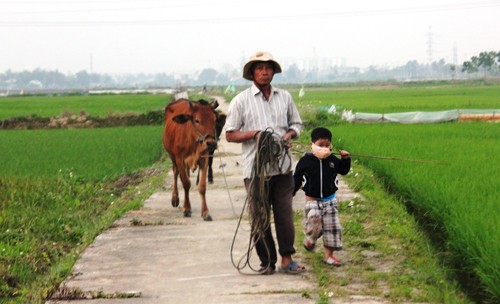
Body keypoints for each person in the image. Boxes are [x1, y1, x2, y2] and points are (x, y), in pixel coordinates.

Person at [225, 51, 305, 275]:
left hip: (282, 168)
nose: (265, 72)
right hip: (255, 171)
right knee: (259, 217)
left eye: (268, 68)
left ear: (273, 72)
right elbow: (230, 134)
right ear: (252, 73)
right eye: (260, 68)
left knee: (284, 214)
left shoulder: (285, 97)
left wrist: (289, 135)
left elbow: (297, 124)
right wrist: (255, 135)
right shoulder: (240, 101)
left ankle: (287, 259)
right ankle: (266, 261)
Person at [293, 127, 351, 266]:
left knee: (332, 228)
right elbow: (296, 178)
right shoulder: (305, 161)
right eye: (320, 145)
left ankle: (329, 256)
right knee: (315, 223)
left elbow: (343, 170)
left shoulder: (333, 160)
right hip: (312, 201)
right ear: (312, 145)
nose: (324, 148)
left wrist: (346, 159)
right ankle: (311, 239)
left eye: (327, 145)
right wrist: (292, 190)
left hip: (330, 200)